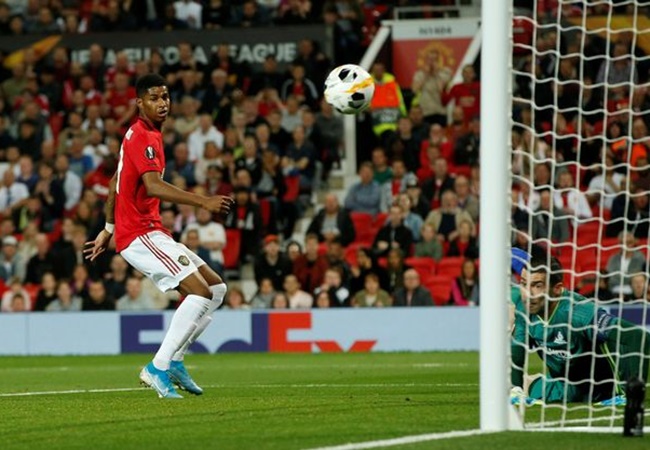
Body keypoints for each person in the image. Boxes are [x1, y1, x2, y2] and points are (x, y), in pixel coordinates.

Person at [85, 74, 234, 399]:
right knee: (199, 293)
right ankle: (158, 367)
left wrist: (108, 229)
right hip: (140, 234)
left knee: (216, 290)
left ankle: (175, 361)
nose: (162, 103)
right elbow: (152, 186)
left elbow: (114, 183)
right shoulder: (143, 136)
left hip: (147, 230)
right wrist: (203, 201)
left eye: (165, 96)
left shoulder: (141, 134)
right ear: (139, 103)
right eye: (154, 98)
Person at [511, 253, 650, 405]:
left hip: (602, 387)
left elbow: (639, 337)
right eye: (524, 284)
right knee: (522, 384)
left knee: (608, 339)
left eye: (537, 286)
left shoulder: (578, 313)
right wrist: (516, 389)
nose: (527, 294)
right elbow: (517, 348)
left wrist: (631, 392)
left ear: (557, 289)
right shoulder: (524, 307)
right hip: (568, 386)